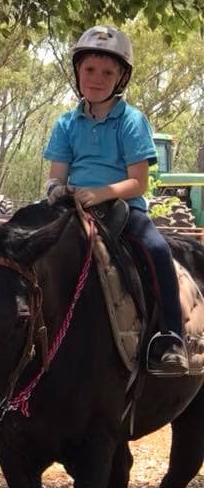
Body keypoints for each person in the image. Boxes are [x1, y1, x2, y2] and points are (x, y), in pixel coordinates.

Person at [44, 24, 189, 376]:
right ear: (77, 72)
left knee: (156, 249)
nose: (96, 78)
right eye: (89, 69)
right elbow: (55, 175)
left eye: (108, 72)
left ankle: (171, 336)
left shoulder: (132, 121)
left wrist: (102, 193)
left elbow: (138, 182)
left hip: (123, 210)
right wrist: (56, 191)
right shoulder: (66, 124)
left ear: (121, 78)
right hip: (74, 207)